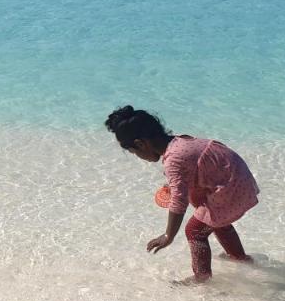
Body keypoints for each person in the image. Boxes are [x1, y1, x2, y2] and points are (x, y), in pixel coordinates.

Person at [105, 106, 258, 283]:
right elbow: (195, 168)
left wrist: (168, 236)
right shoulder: (180, 142)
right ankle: (240, 258)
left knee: (195, 231)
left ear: (141, 144)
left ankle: (202, 278)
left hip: (230, 192)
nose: (138, 156)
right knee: (215, 221)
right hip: (242, 183)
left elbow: (179, 200)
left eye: (134, 152)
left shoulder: (174, 159)